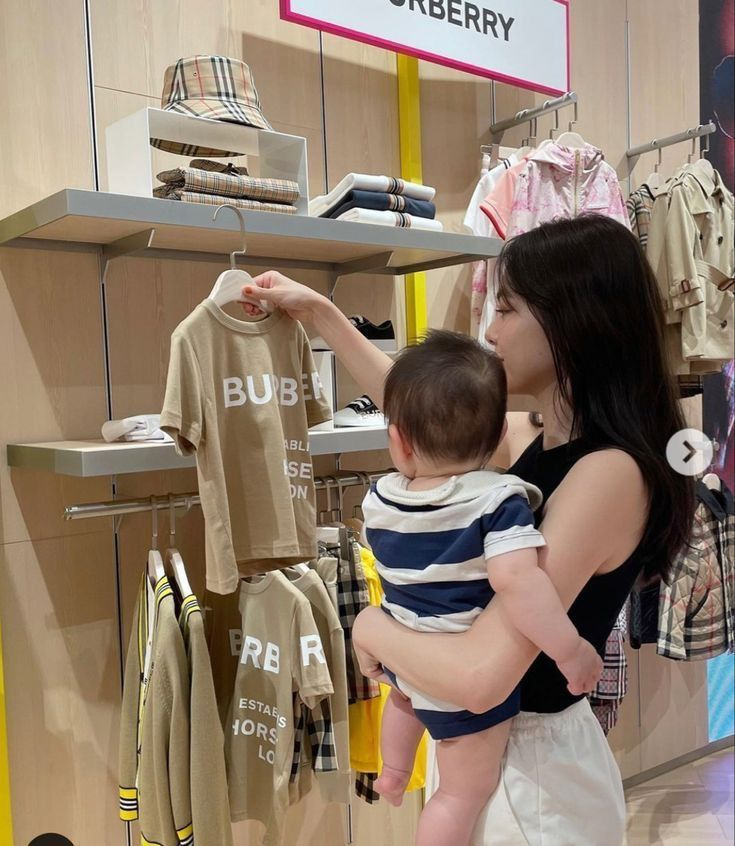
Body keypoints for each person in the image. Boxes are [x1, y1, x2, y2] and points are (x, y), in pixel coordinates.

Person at [242, 215, 695, 846]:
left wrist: (369, 627)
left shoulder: (607, 473)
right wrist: (321, 314)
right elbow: (425, 408)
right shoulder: (537, 440)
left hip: (532, 778)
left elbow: (481, 676)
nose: (490, 330)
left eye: (506, 309)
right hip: (494, 754)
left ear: (572, 321)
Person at [359, 330, 602, 846]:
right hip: (458, 672)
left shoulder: (381, 498)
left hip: (405, 656)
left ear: (398, 441)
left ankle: (395, 772)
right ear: (499, 437)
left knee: (405, 700)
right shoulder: (496, 502)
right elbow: (518, 582)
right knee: (458, 796)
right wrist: (570, 650)